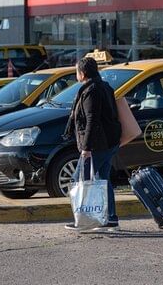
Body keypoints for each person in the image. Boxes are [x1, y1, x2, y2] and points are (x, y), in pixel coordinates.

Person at [62, 56, 122, 232]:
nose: (76, 74)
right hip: (109, 142)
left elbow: (92, 120)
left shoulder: (92, 91)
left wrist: (86, 148)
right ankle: (111, 220)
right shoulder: (104, 87)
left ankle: (84, 220)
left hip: (98, 144)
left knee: (78, 179)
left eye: (77, 71)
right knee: (103, 180)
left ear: (83, 73)